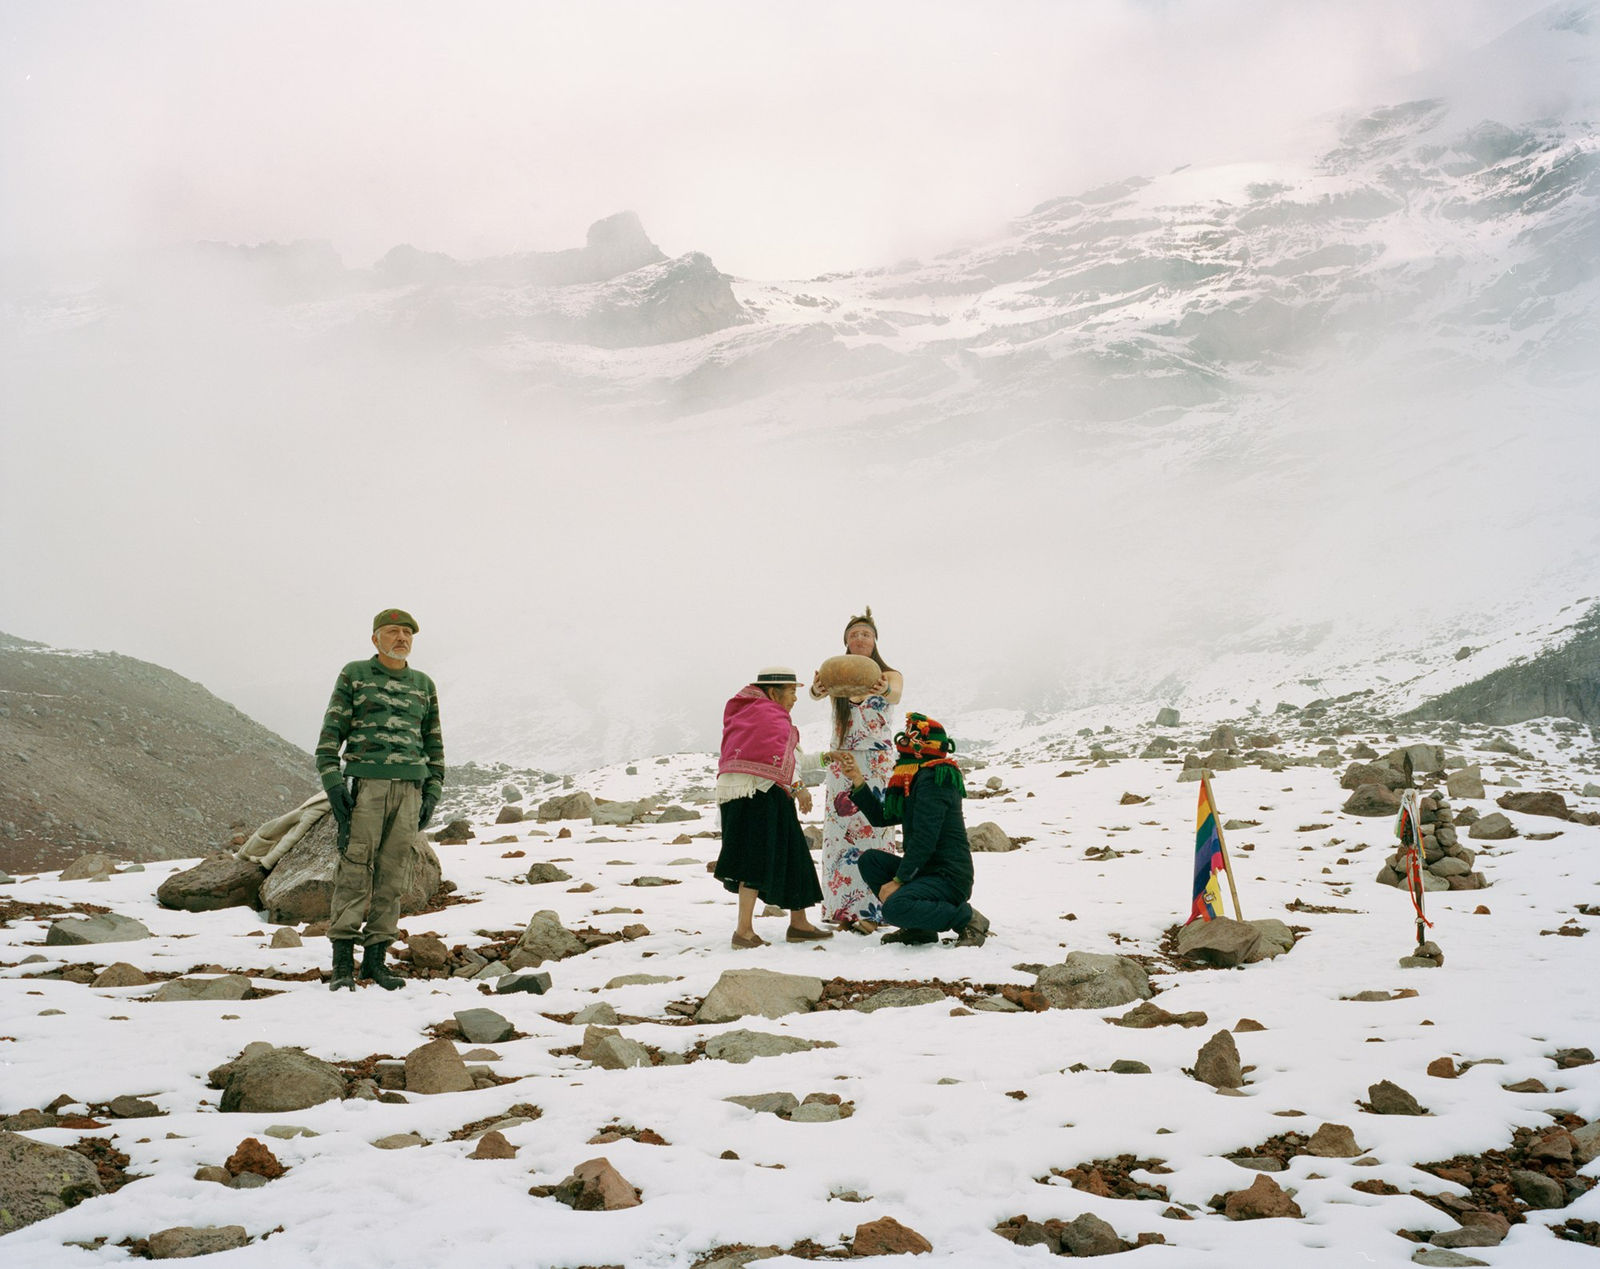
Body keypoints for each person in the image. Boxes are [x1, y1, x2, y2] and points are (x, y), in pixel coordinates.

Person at [315, 608, 445, 991]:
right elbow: (328, 739)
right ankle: (342, 965)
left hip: (410, 791)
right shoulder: (355, 674)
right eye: (392, 632)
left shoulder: (423, 684)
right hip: (366, 788)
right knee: (355, 869)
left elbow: (434, 744)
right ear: (376, 639)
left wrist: (432, 792)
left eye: (407, 633)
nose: (401, 638)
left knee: (393, 875)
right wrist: (335, 786)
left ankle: (375, 962)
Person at [834, 712, 989, 947]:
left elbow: (926, 838)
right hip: (926, 872)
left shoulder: (937, 777)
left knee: (894, 908)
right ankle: (919, 929)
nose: (902, 744)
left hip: (948, 877)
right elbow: (880, 817)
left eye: (909, 739)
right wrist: (857, 779)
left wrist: (899, 879)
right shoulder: (916, 779)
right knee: (871, 861)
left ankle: (967, 918)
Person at [714, 667, 833, 949]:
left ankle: (799, 923)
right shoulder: (768, 715)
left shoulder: (752, 715)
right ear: (773, 691)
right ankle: (743, 932)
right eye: (791, 691)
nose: (795, 697)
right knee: (752, 860)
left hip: (753, 793)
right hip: (756, 795)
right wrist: (798, 788)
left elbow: (789, 760)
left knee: (794, 853)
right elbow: (775, 763)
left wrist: (828, 757)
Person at [810, 608, 903, 932]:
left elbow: (895, 693)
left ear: (874, 640)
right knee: (839, 837)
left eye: (865, 634)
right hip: (842, 760)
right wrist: (819, 685)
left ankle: (875, 911)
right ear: (846, 643)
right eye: (853, 635)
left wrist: (879, 687)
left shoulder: (889, 674)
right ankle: (841, 912)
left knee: (876, 831)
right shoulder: (836, 673)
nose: (860, 638)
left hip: (876, 762)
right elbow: (815, 692)